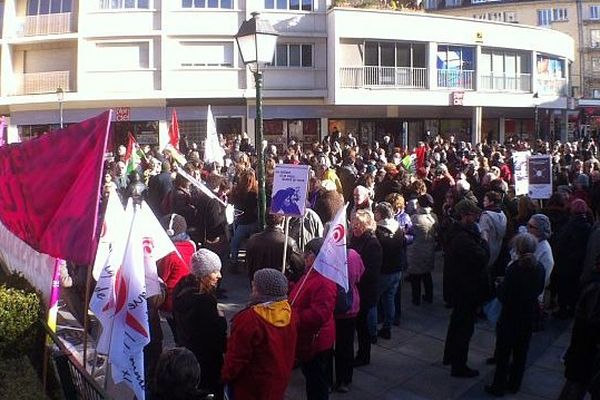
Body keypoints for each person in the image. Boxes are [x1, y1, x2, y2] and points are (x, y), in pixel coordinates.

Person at [484, 233, 546, 397]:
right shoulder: (539, 267)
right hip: (528, 314)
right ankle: (514, 383)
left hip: (510, 316)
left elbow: (505, 295)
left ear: (518, 249)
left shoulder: (514, 269)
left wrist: (499, 286)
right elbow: (539, 288)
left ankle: (498, 386)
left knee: (504, 353)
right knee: (521, 352)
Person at [222, 269, 297, 400]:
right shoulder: (290, 313)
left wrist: (225, 376)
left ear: (261, 291)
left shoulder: (250, 319)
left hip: (251, 386)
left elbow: (236, 357)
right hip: (278, 381)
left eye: (255, 287)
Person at [443, 199, 489, 378]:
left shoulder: (458, 232)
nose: (476, 217)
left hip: (459, 287)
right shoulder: (463, 238)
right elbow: (482, 257)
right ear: (464, 216)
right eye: (472, 215)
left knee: (456, 324)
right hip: (466, 290)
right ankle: (459, 364)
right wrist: (484, 242)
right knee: (463, 328)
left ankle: (450, 357)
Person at [173, 249, 227, 400]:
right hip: (207, 362)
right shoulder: (204, 301)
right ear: (204, 274)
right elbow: (217, 339)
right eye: (215, 271)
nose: (219, 276)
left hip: (188, 358)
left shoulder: (181, 289)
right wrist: (221, 319)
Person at [290, 238, 337, 400]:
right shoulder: (311, 273)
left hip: (317, 342)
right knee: (311, 376)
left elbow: (319, 315)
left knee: (316, 382)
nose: (304, 256)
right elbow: (303, 293)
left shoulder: (325, 281)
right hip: (309, 339)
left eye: (308, 253)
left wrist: (293, 315)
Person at [558, 254, 600, 400]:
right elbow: (591, 319)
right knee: (576, 382)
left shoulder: (594, 285)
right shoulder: (595, 286)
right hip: (586, 346)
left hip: (585, 345)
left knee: (575, 382)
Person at [349, 209, 383, 367]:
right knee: (359, 323)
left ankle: (364, 355)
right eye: (353, 224)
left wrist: (355, 275)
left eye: (358, 224)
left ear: (367, 225)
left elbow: (371, 271)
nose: (354, 227)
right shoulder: (356, 238)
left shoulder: (372, 243)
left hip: (365, 290)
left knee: (363, 325)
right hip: (356, 288)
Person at [157, 213, 196, 341]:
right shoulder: (191, 245)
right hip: (189, 295)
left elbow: (162, 277)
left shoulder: (167, 252)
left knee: (178, 333)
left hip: (172, 300)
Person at [553, 199, 593, 319]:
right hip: (580, 262)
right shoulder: (588, 226)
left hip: (566, 262)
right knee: (575, 286)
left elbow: (560, 244)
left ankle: (563, 309)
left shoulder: (569, 225)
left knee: (564, 287)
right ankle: (573, 307)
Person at [333, 249, 365, 393]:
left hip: (334, 307)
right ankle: (345, 379)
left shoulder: (328, 256)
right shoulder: (354, 254)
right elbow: (360, 275)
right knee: (346, 345)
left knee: (332, 346)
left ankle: (333, 379)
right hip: (351, 306)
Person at [373, 202, 404, 339]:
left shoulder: (378, 231)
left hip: (383, 272)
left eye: (376, 212)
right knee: (389, 299)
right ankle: (387, 328)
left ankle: (372, 332)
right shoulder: (398, 228)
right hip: (396, 270)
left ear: (380, 214)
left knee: (372, 302)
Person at [244, 213, 305, 282]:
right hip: (279, 283)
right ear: (282, 221)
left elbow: (248, 264)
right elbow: (300, 266)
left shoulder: (252, 240)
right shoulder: (288, 242)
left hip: (258, 283)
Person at [407, 194, 438, 306]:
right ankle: (429, 296)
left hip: (416, 250)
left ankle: (416, 299)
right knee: (427, 275)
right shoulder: (433, 216)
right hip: (429, 249)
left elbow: (408, 231)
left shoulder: (414, 218)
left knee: (415, 277)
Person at [229, 169, 259, 267]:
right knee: (250, 243)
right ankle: (248, 262)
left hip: (244, 223)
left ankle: (234, 261)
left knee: (235, 242)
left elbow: (231, 203)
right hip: (252, 223)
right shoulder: (256, 193)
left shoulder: (238, 192)